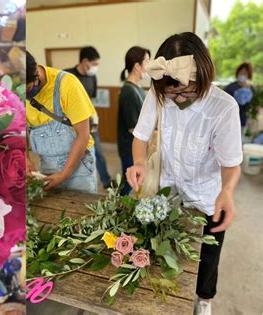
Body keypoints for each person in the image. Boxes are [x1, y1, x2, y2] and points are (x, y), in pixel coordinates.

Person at [126, 32, 242, 315]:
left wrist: (227, 191)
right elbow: (140, 136)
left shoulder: (224, 107)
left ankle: (205, 298)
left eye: (187, 92)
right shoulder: (158, 92)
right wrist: (139, 162)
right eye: (171, 93)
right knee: (161, 246)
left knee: (208, 255)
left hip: (207, 195)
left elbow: (230, 163)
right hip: (167, 188)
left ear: (203, 79)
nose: (177, 99)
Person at [26, 51, 98, 193]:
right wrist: (25, 158)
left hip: (79, 167)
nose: (25, 96)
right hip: (47, 165)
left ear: (36, 74)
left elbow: (83, 135)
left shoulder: (67, 84)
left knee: (82, 211)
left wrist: (63, 174)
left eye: (27, 90)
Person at [64, 46, 112, 188]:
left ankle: (106, 181)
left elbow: (91, 100)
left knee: (98, 151)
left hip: (89, 122)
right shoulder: (67, 76)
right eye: (95, 64)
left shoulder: (92, 77)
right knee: (72, 153)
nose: (96, 68)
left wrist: (94, 115)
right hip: (70, 124)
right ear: (85, 61)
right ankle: (70, 182)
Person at [117, 46, 150, 195]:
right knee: (129, 184)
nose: (150, 66)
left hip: (136, 145)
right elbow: (133, 127)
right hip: (130, 146)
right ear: (137, 66)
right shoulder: (129, 92)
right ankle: (115, 210)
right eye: (147, 61)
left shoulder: (138, 87)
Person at [224, 62, 255, 129]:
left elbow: (253, 106)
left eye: (245, 73)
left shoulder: (251, 89)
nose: (242, 75)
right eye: (241, 72)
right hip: (230, 120)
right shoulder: (230, 87)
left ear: (249, 75)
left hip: (243, 120)